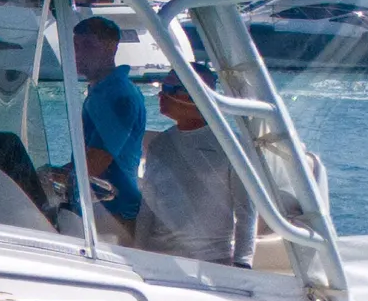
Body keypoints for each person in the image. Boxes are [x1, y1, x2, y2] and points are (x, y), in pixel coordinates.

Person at [132, 70, 253, 266]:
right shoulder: (159, 144)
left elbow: (246, 210)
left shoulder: (233, 146)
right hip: (159, 258)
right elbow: (147, 207)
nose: (161, 95)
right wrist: (139, 254)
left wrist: (242, 263)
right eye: (162, 88)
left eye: (170, 89)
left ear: (195, 94)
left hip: (211, 261)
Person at [64, 14, 145, 237]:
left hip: (114, 211)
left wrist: (53, 176)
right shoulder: (102, 91)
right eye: (75, 46)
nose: (78, 53)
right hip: (97, 204)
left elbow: (95, 163)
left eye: (87, 45)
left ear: (111, 47)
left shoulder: (119, 96)